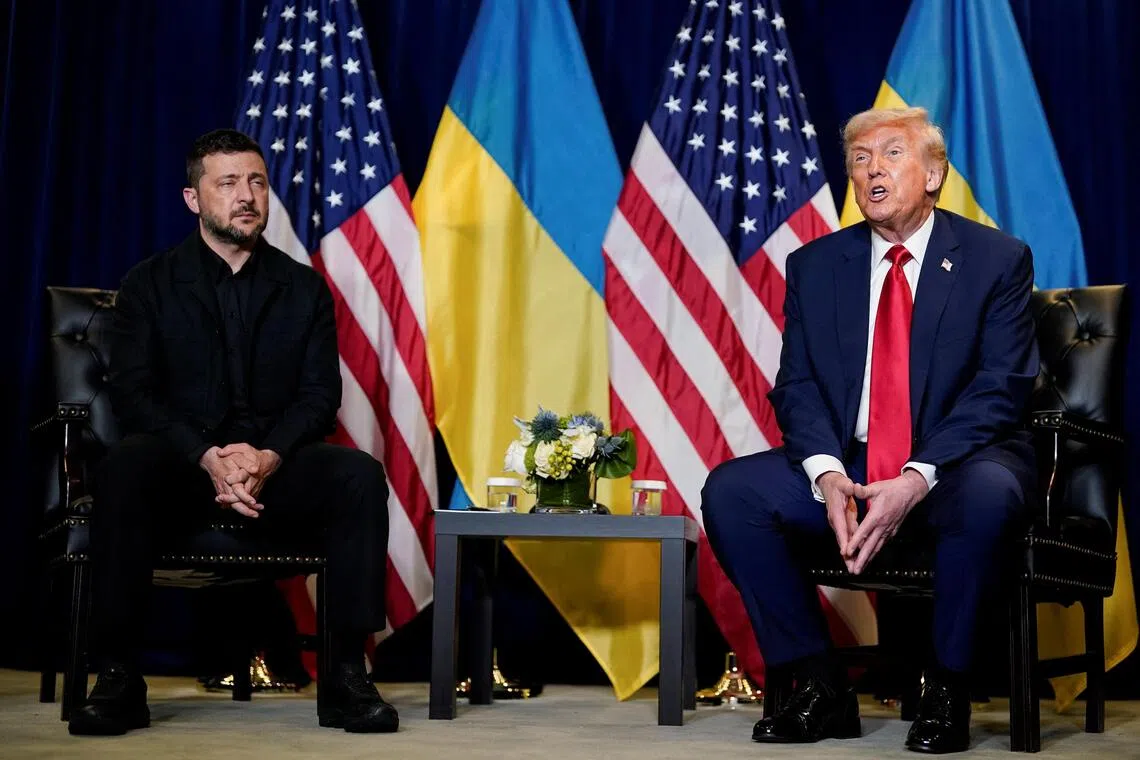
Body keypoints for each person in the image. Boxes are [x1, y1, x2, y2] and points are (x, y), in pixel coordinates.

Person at [701, 107, 1037, 754]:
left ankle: (946, 686)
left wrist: (915, 477)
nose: (872, 169)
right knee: (735, 492)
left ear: (934, 174)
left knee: (992, 495)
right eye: (860, 158)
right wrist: (826, 474)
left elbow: (1001, 388)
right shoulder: (817, 265)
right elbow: (796, 384)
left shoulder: (996, 259)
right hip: (853, 459)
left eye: (891, 154)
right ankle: (818, 683)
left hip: (960, 460)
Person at [68, 129, 398, 736]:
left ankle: (348, 672)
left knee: (357, 475)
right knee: (123, 469)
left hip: (276, 465)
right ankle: (116, 675)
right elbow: (134, 395)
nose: (246, 196)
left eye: (256, 181)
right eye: (227, 183)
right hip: (182, 464)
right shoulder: (149, 284)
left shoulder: (303, 287)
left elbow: (321, 396)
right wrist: (206, 456)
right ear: (193, 198)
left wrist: (266, 455)